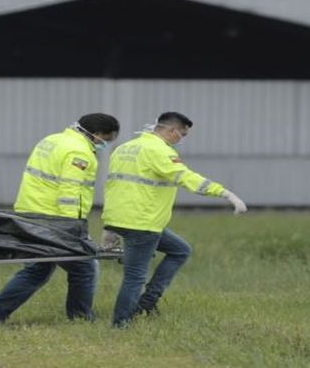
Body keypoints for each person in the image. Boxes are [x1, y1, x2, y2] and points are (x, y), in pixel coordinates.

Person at [101, 112, 248, 328]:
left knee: (180, 250)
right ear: (171, 131)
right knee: (134, 277)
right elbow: (186, 177)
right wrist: (225, 193)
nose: (181, 139)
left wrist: (110, 225)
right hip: (142, 222)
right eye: (182, 135)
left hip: (123, 217)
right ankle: (121, 324)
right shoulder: (160, 150)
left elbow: (114, 186)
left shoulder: (124, 148)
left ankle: (148, 302)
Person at [0, 113, 120, 324]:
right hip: (54, 219)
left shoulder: (51, 140)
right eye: (106, 140)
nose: (105, 145)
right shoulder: (79, 152)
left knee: (38, 268)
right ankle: (80, 317)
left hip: (28, 213)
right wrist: (71, 227)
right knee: (84, 267)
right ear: (96, 134)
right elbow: (70, 191)